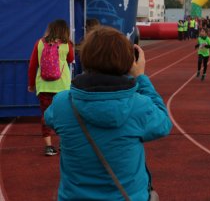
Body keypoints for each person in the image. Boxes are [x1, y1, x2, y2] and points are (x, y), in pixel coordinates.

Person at [44, 26, 172, 200]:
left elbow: (49, 118)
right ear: (128, 61)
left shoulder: (62, 103)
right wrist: (141, 77)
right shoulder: (139, 105)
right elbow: (163, 124)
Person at [27, 19, 75, 156]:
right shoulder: (67, 44)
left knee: (46, 115)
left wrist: (31, 84)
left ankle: (48, 146)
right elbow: (71, 59)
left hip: (44, 86)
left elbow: (32, 65)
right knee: (65, 114)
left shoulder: (39, 43)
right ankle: (63, 143)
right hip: (63, 86)